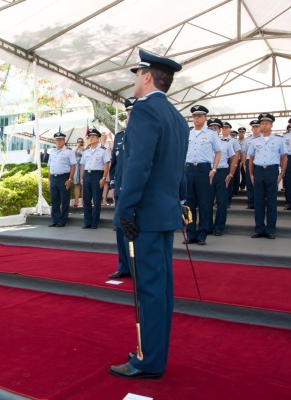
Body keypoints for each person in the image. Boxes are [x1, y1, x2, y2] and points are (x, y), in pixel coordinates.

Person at [110, 50, 188, 379]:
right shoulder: (176, 116)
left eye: (136, 74)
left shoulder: (144, 111)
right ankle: (152, 353)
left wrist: (124, 210)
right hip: (163, 212)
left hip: (144, 214)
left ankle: (149, 361)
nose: (133, 81)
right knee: (161, 290)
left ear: (146, 76)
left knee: (150, 291)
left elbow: (139, 165)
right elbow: (175, 171)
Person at [107, 97, 136, 279]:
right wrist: (112, 184)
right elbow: (115, 163)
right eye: (128, 112)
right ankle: (123, 266)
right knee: (119, 229)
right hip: (120, 191)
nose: (130, 115)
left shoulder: (144, 136)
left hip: (135, 192)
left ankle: (136, 269)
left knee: (132, 231)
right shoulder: (119, 137)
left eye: (134, 111)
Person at [184, 105, 221, 245]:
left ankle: (202, 234)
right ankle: (191, 233)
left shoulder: (211, 133)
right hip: (189, 169)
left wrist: (214, 169)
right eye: (194, 116)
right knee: (189, 204)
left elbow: (218, 151)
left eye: (199, 116)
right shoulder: (189, 132)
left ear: (205, 118)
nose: (196, 118)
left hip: (203, 169)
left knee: (204, 203)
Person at [248, 113, 287, 239]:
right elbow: (251, 158)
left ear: (271, 125)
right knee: (258, 201)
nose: (264, 125)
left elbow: (284, 157)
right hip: (259, 170)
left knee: (271, 201)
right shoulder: (254, 141)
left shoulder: (279, 140)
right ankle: (259, 228)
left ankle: (270, 229)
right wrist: (251, 174)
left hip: (272, 171)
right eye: (262, 123)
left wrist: (281, 173)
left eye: (267, 123)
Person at [207, 118, 237, 236]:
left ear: (220, 130)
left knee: (222, 201)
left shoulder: (225, 143)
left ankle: (219, 227)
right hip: (208, 173)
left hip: (221, 173)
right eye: (212, 128)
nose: (214, 130)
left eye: (216, 128)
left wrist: (230, 174)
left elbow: (234, 157)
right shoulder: (205, 142)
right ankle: (208, 226)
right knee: (207, 201)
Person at [80, 128, 110, 229]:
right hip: (87, 175)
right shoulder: (86, 151)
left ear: (98, 139)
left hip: (97, 175)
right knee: (87, 199)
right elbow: (83, 165)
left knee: (97, 200)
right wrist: (81, 178)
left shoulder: (103, 151)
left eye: (93, 137)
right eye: (90, 137)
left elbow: (106, 165)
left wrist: (104, 177)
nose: (91, 138)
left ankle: (94, 222)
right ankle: (87, 222)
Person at [47, 132, 76, 227]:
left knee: (64, 200)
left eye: (60, 140)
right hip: (54, 178)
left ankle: (62, 220)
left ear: (64, 141)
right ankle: (55, 219)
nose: (58, 142)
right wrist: (49, 180)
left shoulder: (69, 152)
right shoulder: (52, 152)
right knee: (54, 200)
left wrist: (70, 179)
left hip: (64, 177)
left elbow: (73, 166)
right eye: (57, 140)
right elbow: (49, 167)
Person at [243, 120, 262, 209]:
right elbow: (244, 152)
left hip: (259, 162)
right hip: (248, 161)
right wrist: (244, 164)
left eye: (257, 127)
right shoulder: (247, 140)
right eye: (254, 127)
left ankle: (260, 203)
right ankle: (251, 203)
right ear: (251, 128)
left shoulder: (263, 138)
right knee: (249, 183)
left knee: (259, 183)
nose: (255, 129)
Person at [100, 132, 113, 205]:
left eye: (105, 135)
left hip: (107, 163)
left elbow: (114, 148)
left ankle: (104, 199)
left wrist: (111, 138)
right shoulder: (98, 144)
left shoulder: (108, 143)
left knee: (106, 182)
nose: (104, 136)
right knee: (99, 182)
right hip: (99, 164)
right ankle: (98, 199)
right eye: (103, 135)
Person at [72, 138, 85, 207]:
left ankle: (83, 201)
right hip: (76, 168)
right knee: (76, 184)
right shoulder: (75, 149)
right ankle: (76, 201)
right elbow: (72, 153)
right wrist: (77, 146)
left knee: (83, 185)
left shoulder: (85, 149)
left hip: (83, 167)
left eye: (81, 142)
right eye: (78, 141)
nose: (80, 143)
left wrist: (82, 148)